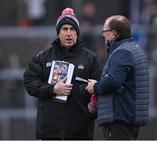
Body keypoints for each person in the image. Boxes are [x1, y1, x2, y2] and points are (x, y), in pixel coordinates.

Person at [23, 7, 101, 140]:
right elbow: (29, 81)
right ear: (58, 33)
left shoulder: (90, 59)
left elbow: (100, 88)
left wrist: (92, 97)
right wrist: (52, 89)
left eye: (72, 29)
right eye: (65, 29)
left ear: (77, 33)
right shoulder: (43, 57)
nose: (69, 33)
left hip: (80, 132)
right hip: (50, 132)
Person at [86, 15, 149, 140]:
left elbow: (113, 81)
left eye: (104, 32)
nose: (103, 35)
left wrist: (95, 87)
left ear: (114, 34)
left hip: (120, 118)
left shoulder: (122, 52)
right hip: (127, 117)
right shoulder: (132, 49)